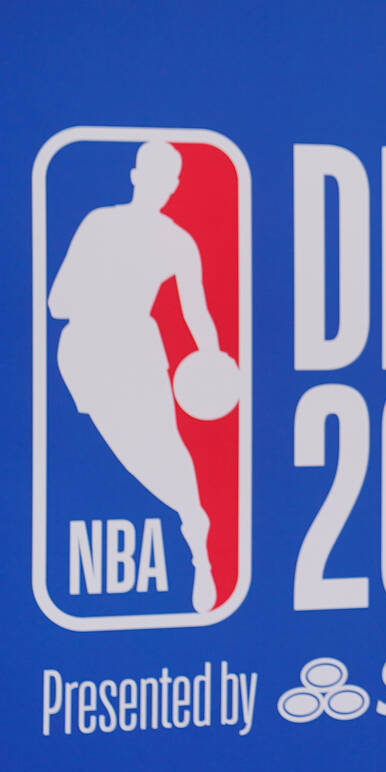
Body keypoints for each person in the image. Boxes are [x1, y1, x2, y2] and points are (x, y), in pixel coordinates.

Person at [48, 140, 220, 614]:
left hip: (133, 352)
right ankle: (193, 525)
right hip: (88, 355)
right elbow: (56, 302)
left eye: (171, 178)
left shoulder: (177, 241)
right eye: (160, 175)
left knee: (163, 446)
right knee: (135, 452)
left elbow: (198, 315)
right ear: (136, 175)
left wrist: (213, 364)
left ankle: (197, 541)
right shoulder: (100, 224)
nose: (165, 186)